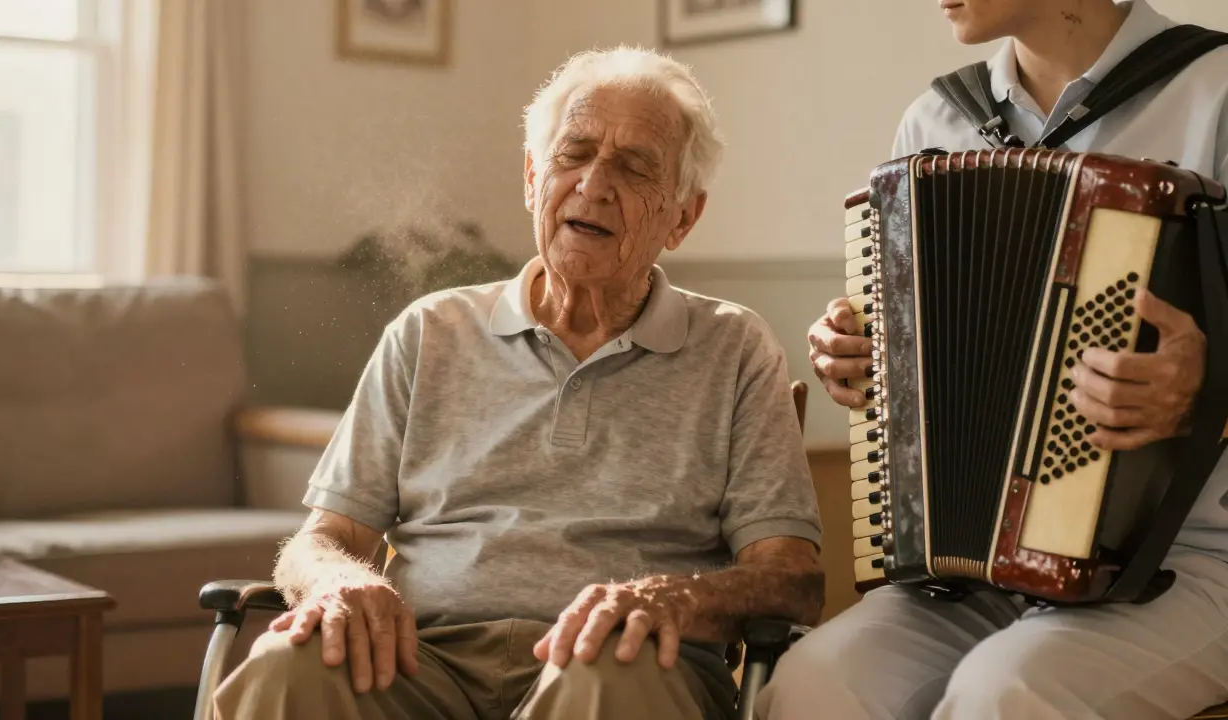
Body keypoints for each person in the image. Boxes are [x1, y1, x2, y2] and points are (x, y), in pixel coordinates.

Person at [212, 46, 825, 720]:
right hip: (420, 660)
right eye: (574, 154)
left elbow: (792, 577)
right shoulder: (428, 333)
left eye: (634, 166)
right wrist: (337, 581)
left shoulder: (735, 349)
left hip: (619, 663)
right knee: (289, 669)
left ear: (683, 216)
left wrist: (667, 601)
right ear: (534, 177)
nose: (593, 185)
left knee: (609, 682)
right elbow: (323, 538)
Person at [759, 1, 1228, 718]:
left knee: (1005, 695)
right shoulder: (935, 121)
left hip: (1188, 559)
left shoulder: (1216, 91)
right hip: (975, 579)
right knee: (814, 684)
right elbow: (919, 357)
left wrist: (1209, 391)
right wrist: (865, 358)